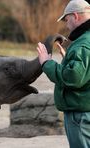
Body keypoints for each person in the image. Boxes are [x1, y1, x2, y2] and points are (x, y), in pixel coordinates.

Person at [36, 0, 90, 148]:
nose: (66, 24)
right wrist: (68, 59)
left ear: (75, 16)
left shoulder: (83, 44)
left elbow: (73, 78)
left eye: (67, 19)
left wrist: (47, 63)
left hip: (80, 116)